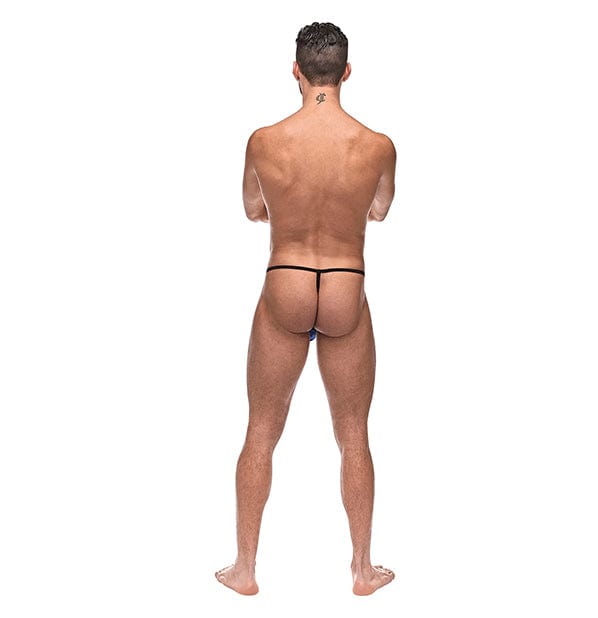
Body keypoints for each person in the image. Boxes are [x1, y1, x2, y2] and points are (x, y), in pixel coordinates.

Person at [215, 22, 396, 596]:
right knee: (353, 433)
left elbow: (252, 209)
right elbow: (380, 210)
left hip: (285, 279)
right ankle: (362, 570)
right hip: (345, 283)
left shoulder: (265, 141)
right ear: (346, 73)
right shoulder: (377, 145)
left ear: (296, 71)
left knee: (261, 431)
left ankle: (244, 569)